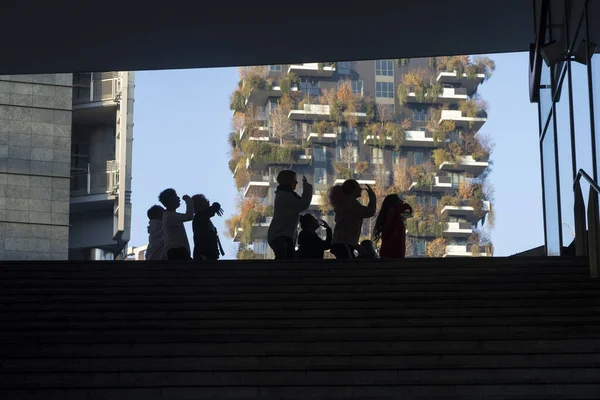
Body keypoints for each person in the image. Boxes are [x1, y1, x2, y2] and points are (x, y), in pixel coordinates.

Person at [267, 170, 312, 259]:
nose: (296, 182)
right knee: (285, 261)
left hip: (280, 235)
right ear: (288, 181)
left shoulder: (283, 194)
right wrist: (307, 187)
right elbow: (303, 204)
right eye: (294, 180)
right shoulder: (286, 196)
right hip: (281, 235)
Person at [329, 179, 376, 259]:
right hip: (344, 244)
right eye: (358, 187)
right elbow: (369, 212)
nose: (361, 189)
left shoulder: (344, 203)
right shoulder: (351, 203)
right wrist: (372, 197)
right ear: (352, 190)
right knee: (348, 268)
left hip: (340, 242)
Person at [373, 194, 413, 258]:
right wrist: (406, 206)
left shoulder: (389, 216)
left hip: (389, 252)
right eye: (399, 200)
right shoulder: (392, 215)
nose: (402, 201)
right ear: (395, 203)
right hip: (393, 253)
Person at [159, 188, 194, 260]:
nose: (178, 198)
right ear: (170, 200)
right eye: (175, 196)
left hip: (175, 250)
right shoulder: (170, 216)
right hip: (177, 251)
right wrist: (188, 200)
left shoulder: (169, 215)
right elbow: (189, 216)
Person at [192, 194, 225, 261]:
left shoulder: (202, 218)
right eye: (204, 200)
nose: (208, 201)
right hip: (204, 257)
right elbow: (210, 211)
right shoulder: (199, 217)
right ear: (199, 205)